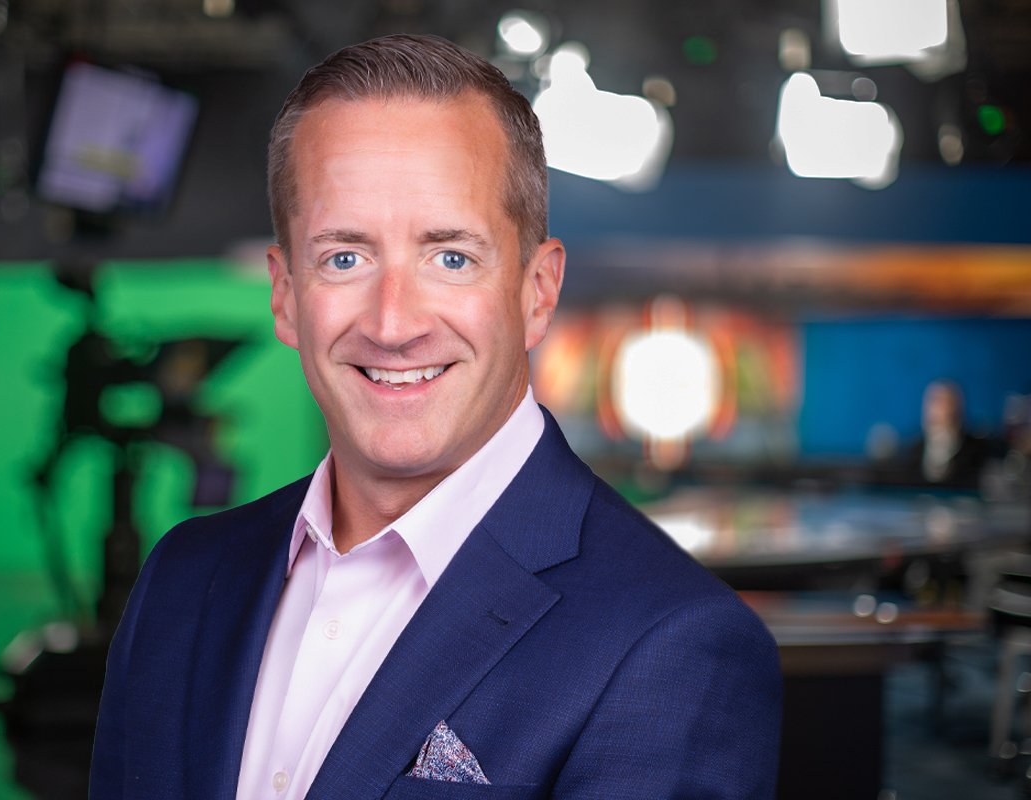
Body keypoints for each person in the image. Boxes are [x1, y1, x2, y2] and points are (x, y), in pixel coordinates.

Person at [90, 34, 781, 799]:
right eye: (345, 258)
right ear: (285, 295)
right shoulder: (183, 580)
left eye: (451, 257)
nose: (393, 324)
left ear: (538, 292)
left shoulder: (672, 645)